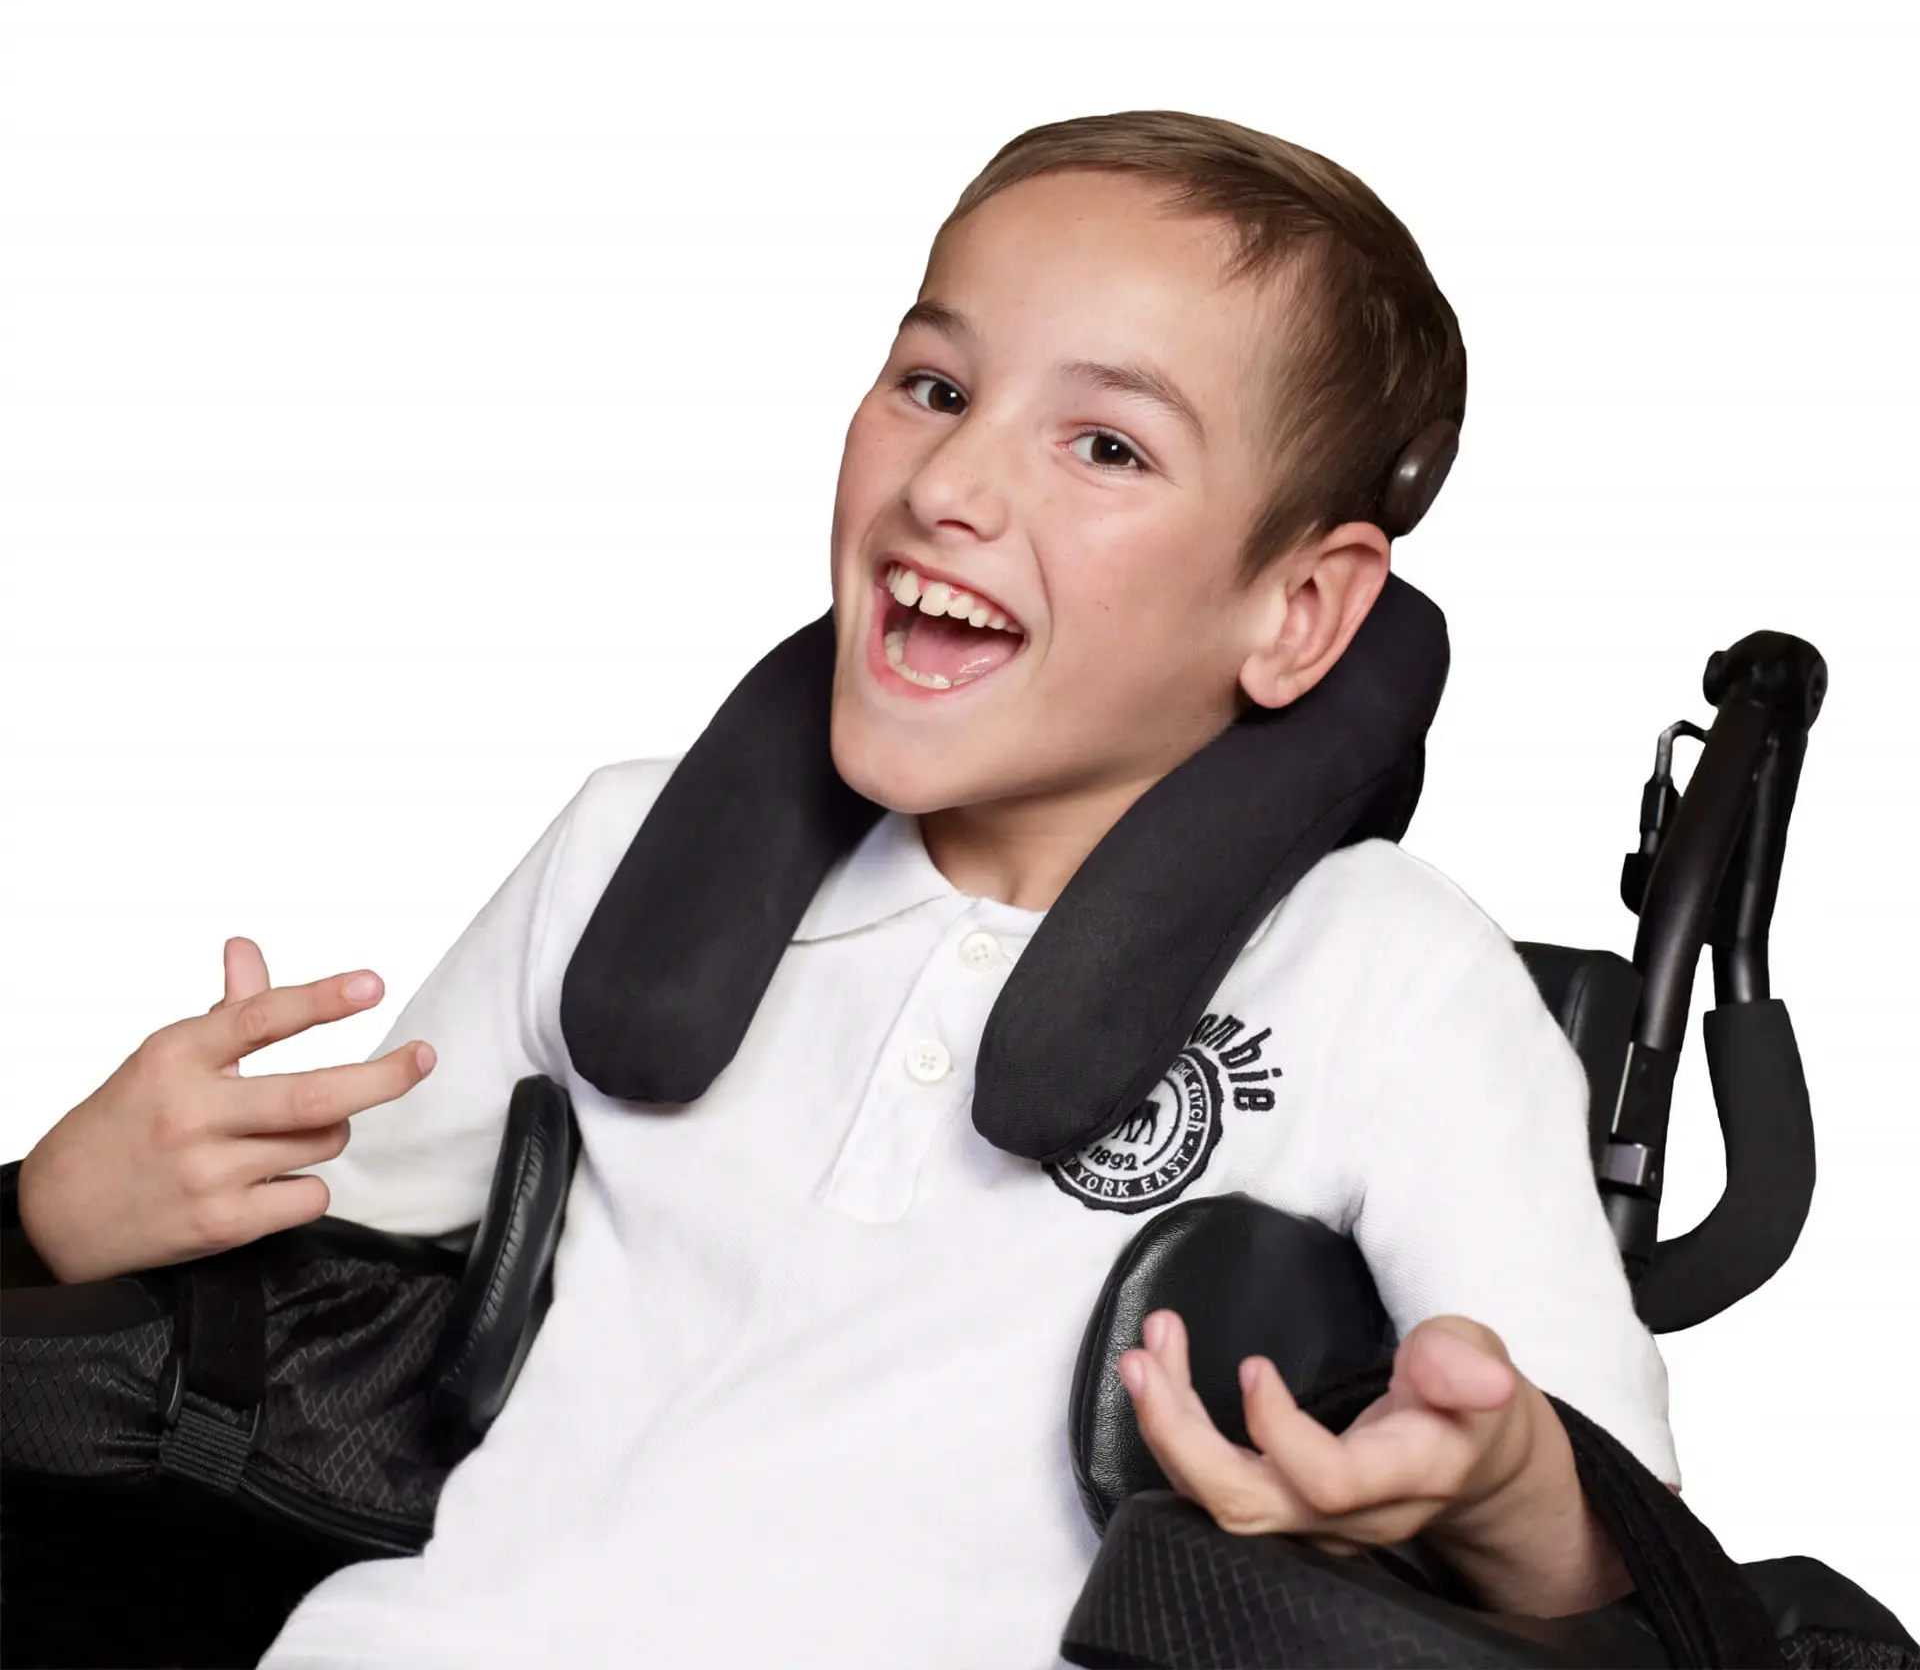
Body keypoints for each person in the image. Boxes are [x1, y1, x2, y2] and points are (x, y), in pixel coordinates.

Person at [15, 111, 1677, 1668]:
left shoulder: (1384, 977)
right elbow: (306, 1292)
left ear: (1300, 612)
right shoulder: (625, 853)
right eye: (934, 387)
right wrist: (57, 1221)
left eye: (1104, 444)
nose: (949, 487)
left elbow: (1626, 1560)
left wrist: (1504, 1491)